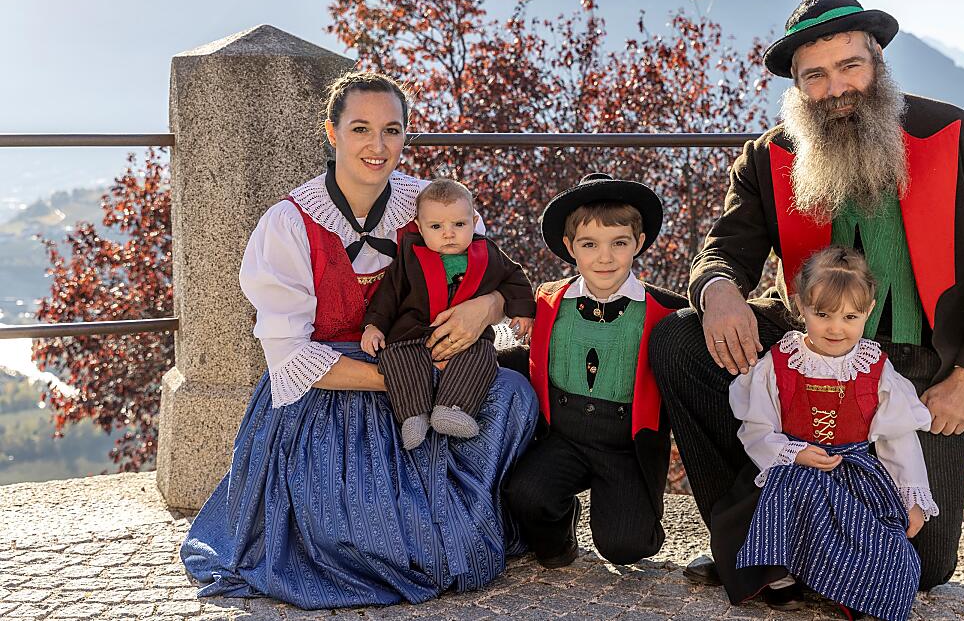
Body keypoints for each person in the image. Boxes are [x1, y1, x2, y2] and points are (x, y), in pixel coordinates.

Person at [648, 0, 964, 596]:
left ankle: (803, 547)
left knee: (926, 565)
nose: (836, 88)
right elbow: (723, 251)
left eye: (849, 66)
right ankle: (745, 536)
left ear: (877, 60)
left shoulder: (962, 136)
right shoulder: (768, 157)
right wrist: (719, 289)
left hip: (920, 365)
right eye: (816, 75)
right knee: (678, 338)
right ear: (797, 85)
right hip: (804, 350)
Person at [180, 71, 539, 609]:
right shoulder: (289, 224)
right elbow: (291, 358)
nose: (378, 145)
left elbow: (494, 273)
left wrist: (485, 307)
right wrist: (407, 381)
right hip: (334, 384)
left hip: (434, 366)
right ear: (331, 132)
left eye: (392, 130)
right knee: (363, 531)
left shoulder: (432, 204)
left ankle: (471, 509)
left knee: (514, 395)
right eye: (361, 129)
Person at [712, 245, 936, 621]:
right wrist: (793, 453)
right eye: (823, 314)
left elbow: (896, 438)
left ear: (868, 311)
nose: (836, 328)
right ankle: (781, 575)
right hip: (793, 473)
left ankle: (860, 589)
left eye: (850, 316)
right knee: (788, 491)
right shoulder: (780, 363)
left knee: (888, 547)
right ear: (801, 306)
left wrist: (912, 496)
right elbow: (757, 428)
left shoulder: (874, 368)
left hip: (854, 475)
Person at [502, 173, 687, 568]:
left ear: (638, 243)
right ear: (570, 247)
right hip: (563, 435)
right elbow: (532, 352)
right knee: (525, 496)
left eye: (619, 243)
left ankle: (628, 517)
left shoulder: (666, 310)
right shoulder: (550, 299)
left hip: (624, 445)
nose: (605, 258)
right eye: (589, 244)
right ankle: (561, 530)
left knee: (625, 546)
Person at [361, 177, 536, 450]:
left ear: (474, 221)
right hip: (413, 332)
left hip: (469, 340)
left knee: (483, 358)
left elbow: (514, 277)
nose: (448, 234)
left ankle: (453, 409)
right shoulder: (411, 255)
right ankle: (413, 415)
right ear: (420, 227)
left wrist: (522, 312)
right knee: (395, 357)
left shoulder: (486, 252)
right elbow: (389, 294)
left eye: (459, 224)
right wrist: (374, 326)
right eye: (436, 226)